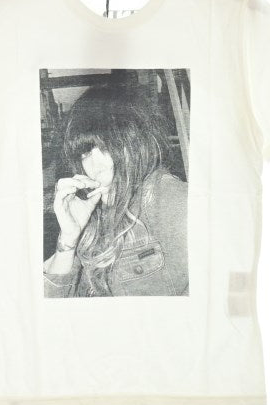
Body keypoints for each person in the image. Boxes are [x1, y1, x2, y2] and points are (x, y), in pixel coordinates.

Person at [43, 83, 188, 298]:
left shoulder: (170, 200)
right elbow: (47, 306)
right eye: (85, 154)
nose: (94, 167)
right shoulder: (94, 216)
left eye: (104, 148)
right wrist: (68, 239)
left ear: (135, 143)